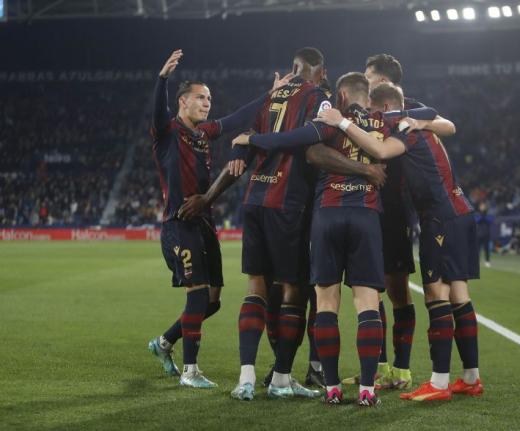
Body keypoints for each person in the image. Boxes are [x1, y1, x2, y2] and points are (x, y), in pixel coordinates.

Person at [233, 73, 439, 406]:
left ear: (341, 94)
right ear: (368, 96)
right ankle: (368, 389)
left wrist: (253, 139)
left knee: (326, 304)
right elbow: (432, 117)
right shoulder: (385, 121)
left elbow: (311, 153)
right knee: (366, 304)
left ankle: (330, 386)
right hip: (367, 215)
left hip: (327, 214)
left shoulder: (328, 118)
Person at [315, 82, 482, 402]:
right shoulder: (417, 120)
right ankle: (471, 378)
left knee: (437, 294)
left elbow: (379, 151)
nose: (373, 119)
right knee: (459, 293)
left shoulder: (404, 128)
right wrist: (423, 120)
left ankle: (439, 383)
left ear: (384, 108)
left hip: (440, 217)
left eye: (375, 113)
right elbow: (448, 123)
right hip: (459, 210)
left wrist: (342, 122)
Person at [147, 50, 288, 388]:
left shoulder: (204, 133)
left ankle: (163, 343)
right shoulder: (167, 132)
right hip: (178, 224)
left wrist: (272, 94)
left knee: (212, 301)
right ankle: (190, 371)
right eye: (200, 97)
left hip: (205, 223)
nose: (207, 103)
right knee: (197, 296)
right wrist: (162, 79)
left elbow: (239, 117)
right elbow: (156, 112)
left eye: (209, 98)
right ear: (182, 102)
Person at [475, 202, 494, 267]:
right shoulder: (477, 214)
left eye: (483, 206)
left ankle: (487, 261)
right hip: (478, 234)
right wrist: (482, 216)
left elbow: (490, 221)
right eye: (481, 206)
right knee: (478, 249)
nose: (482, 207)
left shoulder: (488, 214)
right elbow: (477, 220)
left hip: (486, 234)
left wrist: (483, 216)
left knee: (486, 249)